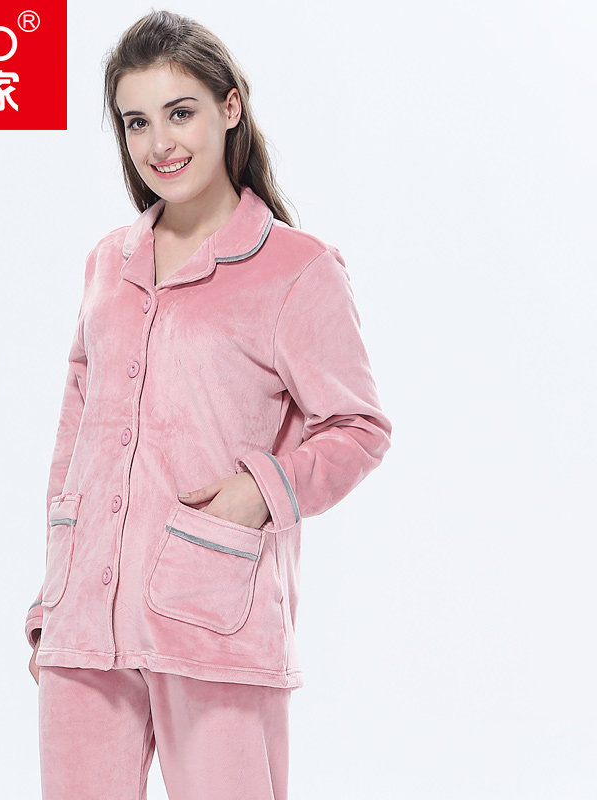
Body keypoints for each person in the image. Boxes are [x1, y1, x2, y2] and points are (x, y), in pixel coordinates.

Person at [25, 9, 392, 800]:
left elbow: (359, 428)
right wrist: (49, 604)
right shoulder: (108, 263)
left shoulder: (298, 270)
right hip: (85, 624)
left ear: (230, 107)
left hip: (216, 617)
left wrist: (262, 491)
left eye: (180, 112)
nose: (160, 142)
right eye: (136, 122)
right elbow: (74, 442)